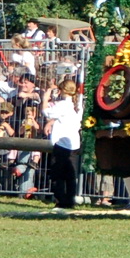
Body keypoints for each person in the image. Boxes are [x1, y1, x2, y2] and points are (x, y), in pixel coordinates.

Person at [42, 79, 82, 211]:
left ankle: (60, 200)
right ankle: (70, 200)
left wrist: (45, 99)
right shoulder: (79, 105)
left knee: (58, 174)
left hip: (62, 144)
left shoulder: (62, 105)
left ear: (62, 90)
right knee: (71, 175)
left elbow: (46, 113)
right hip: (74, 143)